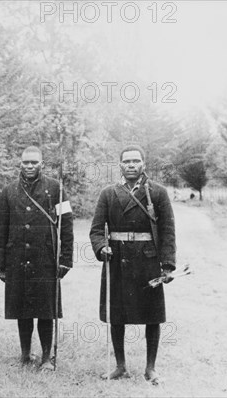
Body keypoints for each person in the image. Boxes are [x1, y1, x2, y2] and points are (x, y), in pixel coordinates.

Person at [89, 145, 176, 384]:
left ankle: (150, 368)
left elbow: (168, 231)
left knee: (152, 315)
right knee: (116, 315)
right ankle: (120, 366)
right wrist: (100, 247)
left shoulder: (157, 193)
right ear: (119, 165)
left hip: (147, 260)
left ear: (143, 164)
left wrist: (167, 265)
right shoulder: (108, 193)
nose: (131, 165)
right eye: (126, 161)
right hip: (117, 259)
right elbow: (96, 230)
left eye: (135, 161)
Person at [0, 146, 73, 370]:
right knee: (22, 309)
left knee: (45, 310)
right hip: (17, 258)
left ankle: (47, 357)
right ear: (20, 164)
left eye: (34, 163)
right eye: (25, 163)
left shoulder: (55, 188)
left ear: (42, 164)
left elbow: (66, 225)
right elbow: (2, 228)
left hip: (46, 259)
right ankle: (24, 354)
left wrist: (66, 259)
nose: (29, 166)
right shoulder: (9, 191)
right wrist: (2, 264)